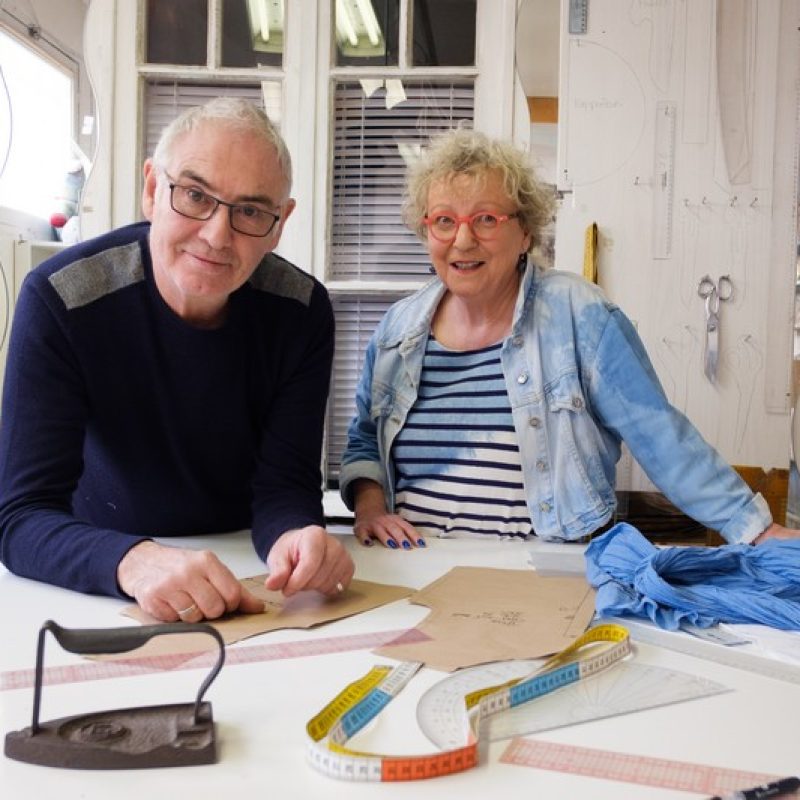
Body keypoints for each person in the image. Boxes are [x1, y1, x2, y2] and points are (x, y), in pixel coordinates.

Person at [339, 128, 800, 550]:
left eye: (485, 219)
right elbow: (364, 442)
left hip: (540, 575)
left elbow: (661, 436)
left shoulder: (580, 315)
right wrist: (370, 507)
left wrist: (754, 528)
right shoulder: (397, 332)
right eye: (443, 220)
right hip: (415, 569)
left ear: (525, 232)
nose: (462, 240)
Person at [0, 97, 353, 621]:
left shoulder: (301, 311)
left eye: (251, 211)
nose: (216, 235)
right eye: (194, 195)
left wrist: (297, 537)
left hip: (245, 567)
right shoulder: (61, 298)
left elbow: (285, 484)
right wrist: (133, 562)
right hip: (100, 564)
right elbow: (21, 516)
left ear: (281, 224)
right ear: (151, 190)